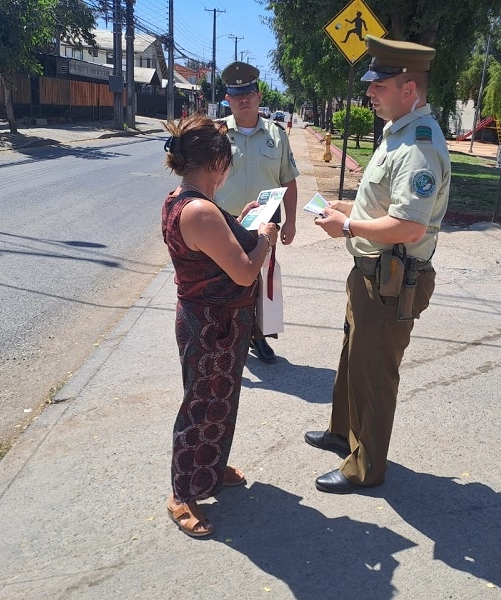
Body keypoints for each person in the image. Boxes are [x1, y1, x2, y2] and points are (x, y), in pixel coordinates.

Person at [309, 36, 451, 494]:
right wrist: (347, 207)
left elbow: (410, 227)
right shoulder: (400, 132)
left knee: (374, 373)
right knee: (354, 357)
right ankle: (342, 435)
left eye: (380, 84)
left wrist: (349, 227)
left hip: (392, 279)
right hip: (371, 272)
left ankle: (365, 467)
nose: (369, 92)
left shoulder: (418, 147)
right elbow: (386, 203)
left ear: (409, 88)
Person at [161, 114, 278, 536]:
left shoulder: (187, 201)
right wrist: (264, 235)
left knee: (220, 400)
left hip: (218, 324)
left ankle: (208, 469)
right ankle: (181, 494)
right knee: (200, 404)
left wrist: (243, 218)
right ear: (215, 162)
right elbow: (245, 271)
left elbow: (219, 240)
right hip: (210, 326)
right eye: (226, 162)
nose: (228, 170)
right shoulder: (199, 211)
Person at [215, 61, 300, 364]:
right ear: (228, 97)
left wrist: (290, 222)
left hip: (266, 224)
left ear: (259, 95)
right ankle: (227, 336)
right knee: (227, 281)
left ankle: (257, 336)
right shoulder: (217, 134)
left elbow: (288, 180)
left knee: (261, 283)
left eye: (249, 92)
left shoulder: (277, 135)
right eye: (237, 94)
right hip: (226, 222)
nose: (244, 99)